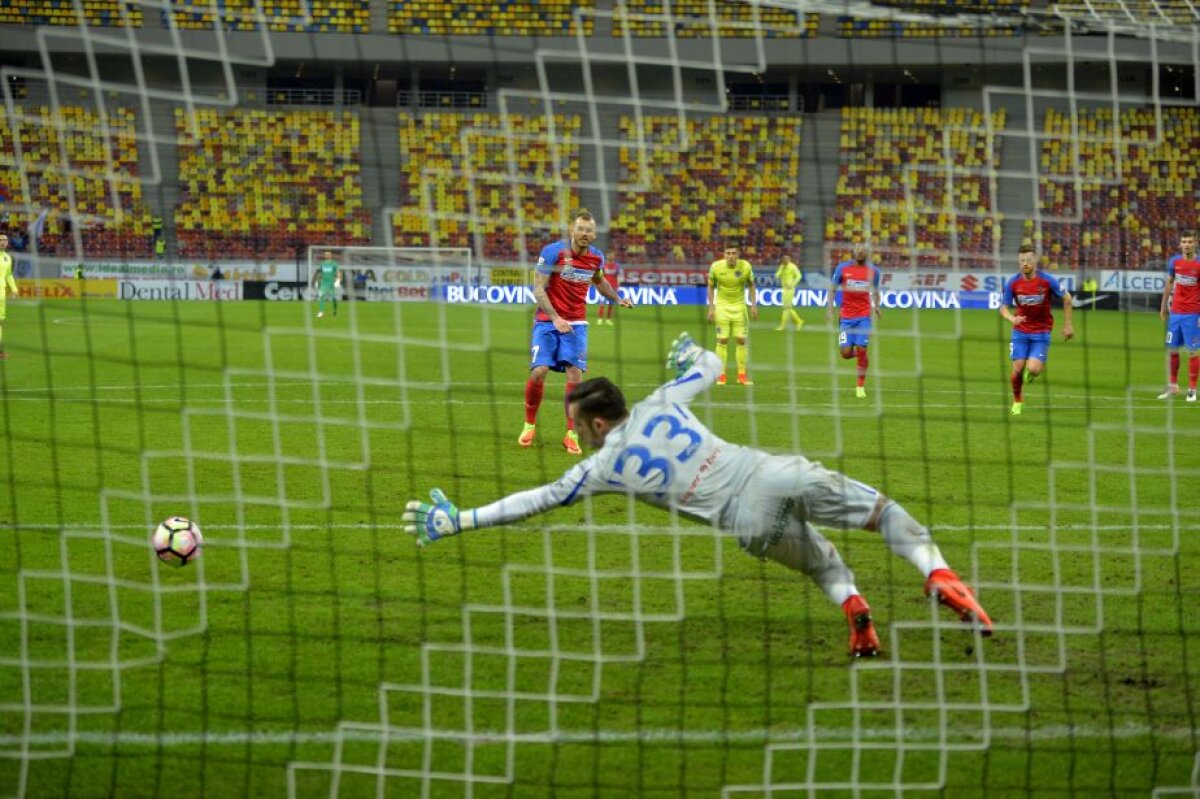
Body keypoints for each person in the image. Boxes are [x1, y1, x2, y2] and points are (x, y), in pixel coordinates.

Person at [403, 334, 995, 658]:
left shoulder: (603, 466)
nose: (578, 431)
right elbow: (711, 363)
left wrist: (460, 519)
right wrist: (688, 354)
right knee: (884, 514)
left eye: (578, 423)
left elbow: (532, 501)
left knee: (823, 565)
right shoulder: (663, 399)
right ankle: (938, 572)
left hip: (745, 522)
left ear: (599, 423)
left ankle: (858, 618)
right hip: (771, 473)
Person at [521, 209, 632, 455]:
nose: (584, 233)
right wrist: (555, 318)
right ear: (572, 230)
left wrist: (617, 298)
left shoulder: (597, 257)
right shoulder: (553, 252)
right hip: (547, 320)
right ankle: (529, 424)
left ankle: (571, 434)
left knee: (575, 375)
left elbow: (600, 281)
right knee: (539, 371)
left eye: (588, 230)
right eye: (580, 229)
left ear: (594, 235)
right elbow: (538, 288)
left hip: (576, 323)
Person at [999, 245, 1074, 416]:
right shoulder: (1013, 282)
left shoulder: (1047, 280)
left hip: (1041, 332)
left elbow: (1067, 298)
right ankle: (1017, 401)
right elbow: (1003, 308)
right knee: (1017, 367)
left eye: (1028, 260)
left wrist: (1068, 325)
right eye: (1022, 261)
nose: (1025, 263)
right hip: (1020, 331)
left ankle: (1032, 373)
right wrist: (1012, 318)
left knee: (1033, 369)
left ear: (1035, 261)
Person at [828, 242, 881, 398]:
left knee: (862, 348)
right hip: (846, 317)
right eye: (857, 250)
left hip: (864, 316)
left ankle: (860, 387)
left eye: (863, 250)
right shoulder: (842, 268)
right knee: (845, 353)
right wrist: (830, 306)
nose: (860, 252)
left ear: (867, 253)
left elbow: (875, 291)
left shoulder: (874, 271)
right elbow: (832, 289)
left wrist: (876, 306)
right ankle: (861, 356)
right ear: (853, 252)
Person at [1156, 230, 1199, 402]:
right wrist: (1163, 307)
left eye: (1190, 241)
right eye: (1184, 241)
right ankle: (1173, 387)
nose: (1187, 244)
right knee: (1172, 350)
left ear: (1195, 243)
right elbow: (1169, 284)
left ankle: (1192, 390)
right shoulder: (1174, 261)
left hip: (1193, 314)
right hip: (1175, 313)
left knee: (1192, 351)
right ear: (1180, 244)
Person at [707, 243, 758, 385]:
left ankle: (742, 375)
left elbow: (752, 285)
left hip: (740, 308)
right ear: (724, 254)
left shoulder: (746, 267)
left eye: (733, 253)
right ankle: (721, 375)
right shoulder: (716, 267)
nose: (731, 256)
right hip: (722, 308)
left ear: (738, 255)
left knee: (741, 340)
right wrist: (711, 308)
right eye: (728, 253)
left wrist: (753, 305)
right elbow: (710, 287)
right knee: (722, 340)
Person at [774, 254, 804, 331]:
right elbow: (777, 275)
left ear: (789, 260)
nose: (784, 261)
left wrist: (793, 284)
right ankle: (799, 321)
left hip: (790, 289)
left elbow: (799, 276)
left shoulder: (793, 267)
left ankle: (782, 325)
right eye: (783, 259)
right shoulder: (782, 266)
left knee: (786, 308)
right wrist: (779, 273)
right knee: (788, 308)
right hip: (784, 289)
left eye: (785, 259)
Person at [0, 233, 17, 360]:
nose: (3, 242)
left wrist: (14, 289)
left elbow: (9, 274)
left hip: (1, 292)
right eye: (0, 240)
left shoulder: (7, 258)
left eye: (5, 240)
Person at [312, 249, 342, 318]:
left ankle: (335, 310)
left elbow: (338, 273)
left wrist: (338, 281)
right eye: (326, 254)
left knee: (333, 298)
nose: (327, 255)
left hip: (331, 283)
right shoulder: (322, 264)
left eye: (328, 254)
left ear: (331, 255)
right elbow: (320, 273)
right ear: (324, 256)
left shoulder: (334, 264)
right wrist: (317, 281)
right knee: (322, 296)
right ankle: (321, 312)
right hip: (323, 283)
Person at [595, 259, 622, 325]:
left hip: (613, 287)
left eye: (612, 260)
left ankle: (608, 319)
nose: (611, 261)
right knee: (602, 303)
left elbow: (618, 276)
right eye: (610, 260)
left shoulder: (616, 266)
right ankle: (600, 319)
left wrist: (618, 285)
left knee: (611, 304)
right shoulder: (603, 265)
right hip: (604, 287)